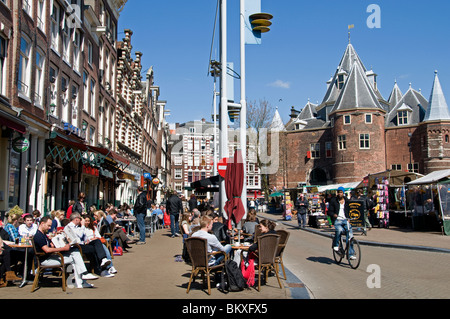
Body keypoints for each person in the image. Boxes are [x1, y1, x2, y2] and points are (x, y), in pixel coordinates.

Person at [33, 216, 98, 288]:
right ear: (42, 223)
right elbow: (47, 250)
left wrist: (57, 237)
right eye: (48, 226)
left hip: (49, 257)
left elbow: (50, 246)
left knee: (75, 252)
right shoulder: (38, 236)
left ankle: (81, 281)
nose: (49, 228)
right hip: (45, 260)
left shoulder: (43, 234)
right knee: (75, 257)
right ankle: (82, 279)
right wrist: (63, 248)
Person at [327, 187, 356, 259]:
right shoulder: (333, 200)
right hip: (338, 220)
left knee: (350, 236)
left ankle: (350, 254)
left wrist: (349, 218)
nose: (339, 194)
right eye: (338, 192)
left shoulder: (346, 200)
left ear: (343, 193)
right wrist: (334, 214)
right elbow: (329, 211)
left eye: (341, 192)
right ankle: (336, 245)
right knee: (339, 230)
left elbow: (349, 210)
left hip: (345, 220)